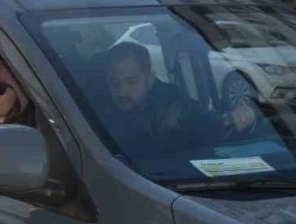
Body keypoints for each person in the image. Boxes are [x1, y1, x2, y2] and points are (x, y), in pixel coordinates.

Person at [100, 42, 257, 152]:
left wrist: (231, 120)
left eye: (132, 82)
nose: (121, 91)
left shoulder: (172, 106)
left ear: (149, 78)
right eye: (114, 82)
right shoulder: (91, 108)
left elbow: (203, 122)